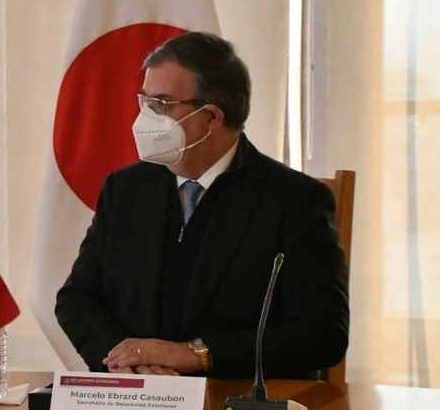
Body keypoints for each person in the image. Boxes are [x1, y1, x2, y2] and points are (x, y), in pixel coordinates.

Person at [55, 32, 348, 378]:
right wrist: (130, 360)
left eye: (161, 105)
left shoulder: (294, 200)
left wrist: (195, 355)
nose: (147, 117)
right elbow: (77, 299)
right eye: (145, 102)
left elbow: (322, 335)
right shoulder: (126, 189)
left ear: (212, 117)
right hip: (133, 397)